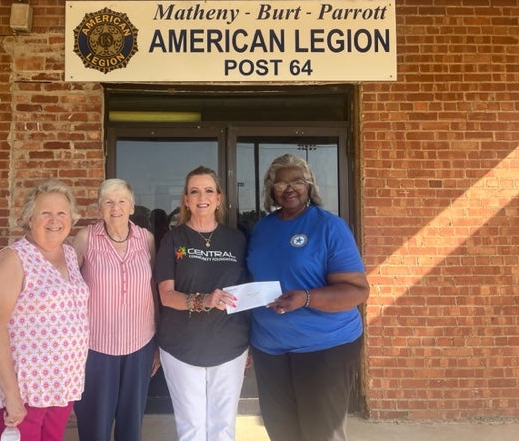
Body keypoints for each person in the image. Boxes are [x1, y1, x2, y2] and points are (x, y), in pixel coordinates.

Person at [246, 153, 370, 441]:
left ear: (309, 186)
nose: (289, 188)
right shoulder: (262, 228)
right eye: (281, 183)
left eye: (297, 181)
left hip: (324, 348)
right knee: (281, 432)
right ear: (271, 189)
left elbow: (358, 290)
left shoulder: (329, 226)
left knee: (321, 434)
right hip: (270, 349)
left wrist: (305, 298)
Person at [0, 179, 89, 441]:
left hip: (59, 387)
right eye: (45, 213)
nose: (54, 220)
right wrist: (12, 396)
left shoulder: (70, 255)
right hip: (20, 392)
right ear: (29, 218)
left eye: (62, 213)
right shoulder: (13, 259)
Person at [155, 166, 250, 441]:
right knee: (192, 428)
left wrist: (251, 343)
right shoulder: (173, 239)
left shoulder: (237, 239)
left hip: (230, 346)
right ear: (186, 200)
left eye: (209, 190)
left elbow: (244, 294)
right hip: (182, 347)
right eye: (194, 191)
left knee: (224, 428)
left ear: (219, 198)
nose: (202, 197)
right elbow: (166, 295)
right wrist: (204, 300)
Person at [73, 178, 159, 441]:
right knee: (94, 424)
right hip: (96, 347)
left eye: (122, 201)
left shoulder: (146, 239)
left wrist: (157, 342)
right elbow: (69, 288)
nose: (116, 208)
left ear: (132, 206)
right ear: (99, 208)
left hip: (139, 344)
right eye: (108, 202)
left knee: (131, 424)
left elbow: (153, 288)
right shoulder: (86, 238)